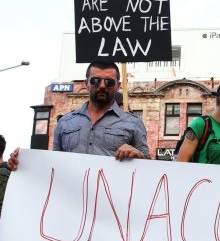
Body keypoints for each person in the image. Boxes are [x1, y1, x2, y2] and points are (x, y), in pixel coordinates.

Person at [8, 61, 149, 172]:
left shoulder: (134, 124)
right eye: (95, 80)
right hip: (73, 204)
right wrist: (23, 164)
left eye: (109, 82)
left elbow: (151, 171)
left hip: (111, 204)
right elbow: (53, 166)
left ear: (118, 86)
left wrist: (139, 156)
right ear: (86, 83)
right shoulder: (65, 123)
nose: (101, 86)